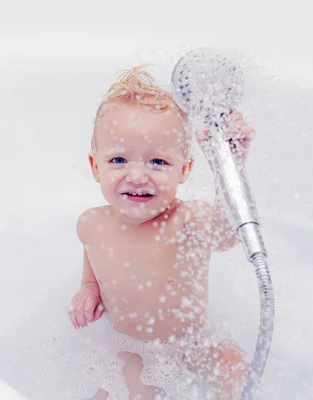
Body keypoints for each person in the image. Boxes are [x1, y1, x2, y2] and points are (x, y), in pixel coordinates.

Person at [68, 65, 255, 400]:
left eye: (158, 162)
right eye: (119, 160)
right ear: (96, 166)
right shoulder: (91, 225)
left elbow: (228, 234)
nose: (138, 176)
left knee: (240, 374)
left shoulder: (186, 220)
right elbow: (93, 272)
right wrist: (89, 291)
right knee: (120, 392)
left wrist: (231, 164)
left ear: (184, 170)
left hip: (195, 342)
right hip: (131, 346)